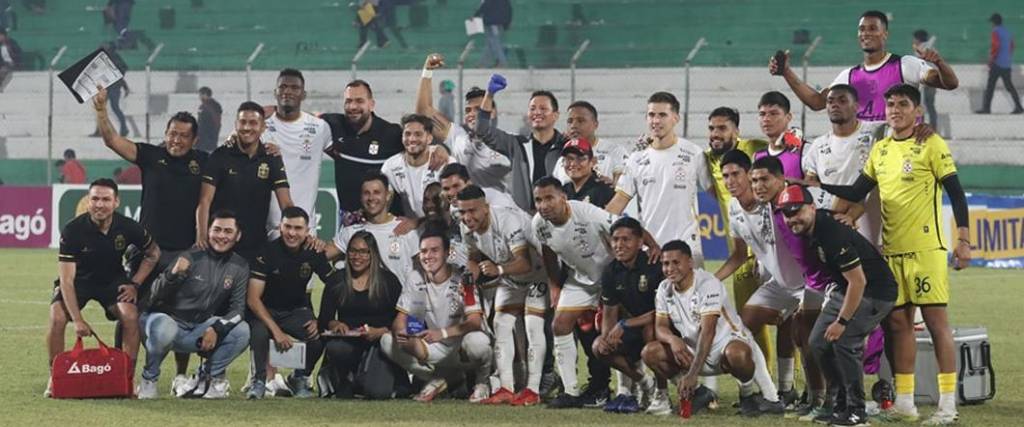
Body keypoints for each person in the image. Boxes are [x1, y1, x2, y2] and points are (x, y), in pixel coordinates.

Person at [818, 84, 971, 426]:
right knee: (899, 325)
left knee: (936, 325)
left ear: (918, 111)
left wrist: (964, 240)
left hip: (927, 249)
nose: (895, 110)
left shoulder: (931, 143)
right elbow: (857, 192)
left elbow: (957, 195)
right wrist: (815, 184)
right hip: (891, 251)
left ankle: (947, 405)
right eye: (890, 104)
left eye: (903, 104)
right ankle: (905, 402)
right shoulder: (881, 150)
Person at [94, 86, 209, 394]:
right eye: (172, 133)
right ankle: (121, 373)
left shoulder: (203, 162)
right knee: (128, 309)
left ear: (194, 139)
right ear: (166, 133)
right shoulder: (151, 155)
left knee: (181, 314)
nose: (176, 139)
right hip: (145, 252)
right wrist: (102, 110)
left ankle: (180, 376)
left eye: (184, 135)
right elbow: (112, 140)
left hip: (184, 253)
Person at [777, 185, 897, 426]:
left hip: (875, 291)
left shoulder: (831, 231)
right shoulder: (814, 229)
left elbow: (858, 280)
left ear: (811, 207)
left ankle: (856, 410)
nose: (792, 218)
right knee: (817, 342)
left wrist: (842, 322)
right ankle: (840, 401)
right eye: (787, 213)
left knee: (844, 342)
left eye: (797, 211)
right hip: (848, 288)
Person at [714, 151, 820, 416]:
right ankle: (767, 394)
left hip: (808, 282)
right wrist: (710, 280)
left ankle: (814, 396)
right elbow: (739, 255)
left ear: (750, 175)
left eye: (736, 174)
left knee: (803, 335)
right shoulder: (734, 208)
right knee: (741, 326)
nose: (730, 181)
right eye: (725, 176)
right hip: (780, 284)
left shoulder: (775, 201)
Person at [45, 179, 160, 397]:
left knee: (130, 315)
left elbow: (153, 253)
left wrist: (135, 283)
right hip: (79, 281)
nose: (99, 204)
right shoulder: (72, 230)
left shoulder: (128, 226)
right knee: (57, 317)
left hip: (112, 279)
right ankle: (55, 376)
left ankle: (126, 378)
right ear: (88, 202)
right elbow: (67, 280)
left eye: (106, 199)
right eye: (95, 199)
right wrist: (77, 319)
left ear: (116, 202)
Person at [643, 240, 783, 417]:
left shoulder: (708, 284)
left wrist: (693, 374)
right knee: (650, 352)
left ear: (690, 262)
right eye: (665, 263)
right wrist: (673, 340)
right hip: (693, 352)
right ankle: (701, 393)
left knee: (738, 353)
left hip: (725, 348)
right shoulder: (664, 288)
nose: (670, 268)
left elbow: (708, 331)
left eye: (676, 262)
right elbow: (660, 327)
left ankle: (746, 395)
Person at [137, 209, 250, 399]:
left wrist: (217, 328)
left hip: (197, 329)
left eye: (228, 231)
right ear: (208, 231)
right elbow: (154, 296)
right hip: (162, 322)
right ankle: (149, 380)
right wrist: (172, 275)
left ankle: (204, 377)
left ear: (238, 236)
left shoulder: (240, 266)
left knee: (242, 331)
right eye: (217, 230)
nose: (221, 236)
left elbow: (238, 309)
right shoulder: (191, 256)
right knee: (165, 328)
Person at [771, 10, 958, 122]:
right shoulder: (849, 76)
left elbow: (950, 83)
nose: (866, 33)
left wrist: (939, 63)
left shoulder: (905, 65)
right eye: (862, 29)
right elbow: (816, 101)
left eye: (872, 29)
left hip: (904, 154)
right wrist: (787, 72)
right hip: (867, 159)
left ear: (885, 34)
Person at [749, 155, 830, 412]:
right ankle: (809, 396)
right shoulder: (767, 207)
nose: (758, 186)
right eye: (754, 181)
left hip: (819, 281)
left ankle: (823, 398)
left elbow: (828, 209)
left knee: (808, 336)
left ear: (781, 179)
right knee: (795, 333)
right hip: (793, 283)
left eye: (764, 179)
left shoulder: (798, 201)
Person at [458, 184, 548, 406]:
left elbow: (525, 262)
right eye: (463, 212)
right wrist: (472, 272)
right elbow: (473, 255)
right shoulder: (465, 227)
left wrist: (497, 270)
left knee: (532, 325)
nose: (467, 217)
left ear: (486, 208)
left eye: (472, 211)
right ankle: (507, 387)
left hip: (538, 274)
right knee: (501, 323)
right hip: (510, 276)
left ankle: (533, 389)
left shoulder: (507, 220)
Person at [380, 230, 493, 403]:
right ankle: (440, 378)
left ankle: (482, 382)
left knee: (478, 342)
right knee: (387, 341)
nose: (428, 256)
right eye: (424, 251)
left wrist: (443, 333)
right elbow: (401, 320)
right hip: (436, 347)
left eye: (434, 250)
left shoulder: (463, 278)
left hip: (462, 347)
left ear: (447, 254)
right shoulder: (415, 278)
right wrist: (404, 334)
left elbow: (475, 322)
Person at [701, 106, 773, 373]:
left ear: (736, 130)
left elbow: (781, 152)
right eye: (711, 128)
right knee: (748, 322)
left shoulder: (754, 147)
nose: (715, 134)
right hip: (742, 248)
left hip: (771, 249)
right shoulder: (707, 159)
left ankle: (792, 385)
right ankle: (766, 381)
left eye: (722, 128)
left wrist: (794, 138)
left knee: (791, 322)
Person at [323, 80, 448, 226]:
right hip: (349, 220)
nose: (353, 107)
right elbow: (306, 122)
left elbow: (416, 142)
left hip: (388, 222)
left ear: (371, 104)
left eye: (359, 101)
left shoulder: (391, 133)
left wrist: (439, 148)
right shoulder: (334, 124)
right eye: (348, 101)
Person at [246, 207, 340, 399]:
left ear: (307, 231)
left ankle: (299, 378)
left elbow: (334, 286)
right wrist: (276, 331)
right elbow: (253, 299)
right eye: (287, 226)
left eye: (298, 228)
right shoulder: (267, 252)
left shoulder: (313, 252)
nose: (292, 233)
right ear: (280, 227)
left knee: (319, 334)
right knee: (259, 332)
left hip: (295, 311)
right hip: (266, 311)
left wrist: (321, 320)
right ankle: (259, 381)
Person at [606, 91, 711, 258]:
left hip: (688, 247)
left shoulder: (694, 154)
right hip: (651, 249)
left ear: (676, 118)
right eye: (651, 115)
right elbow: (617, 203)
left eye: (662, 115)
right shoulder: (636, 159)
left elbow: (717, 194)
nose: (656, 121)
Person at [197, 101, 294, 263]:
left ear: (263, 127)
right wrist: (201, 235)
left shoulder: (272, 158)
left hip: (256, 246)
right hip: (221, 243)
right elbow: (205, 201)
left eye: (253, 123)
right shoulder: (219, 156)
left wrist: (296, 227)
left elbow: (286, 203)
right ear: (236, 125)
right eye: (242, 122)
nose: (247, 127)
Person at [318, 231, 405, 399]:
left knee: (377, 393)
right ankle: (341, 375)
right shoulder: (337, 280)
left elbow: (400, 320)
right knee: (336, 348)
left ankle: (365, 377)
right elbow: (324, 318)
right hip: (348, 342)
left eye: (363, 252)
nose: (357, 256)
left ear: (372, 255)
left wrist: (380, 332)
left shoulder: (389, 281)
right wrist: (334, 324)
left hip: (379, 342)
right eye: (352, 251)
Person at [593, 217, 662, 414]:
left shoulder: (655, 265)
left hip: (661, 328)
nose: (619, 245)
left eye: (626, 240)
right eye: (615, 240)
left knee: (650, 331)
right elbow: (609, 313)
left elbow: (665, 313)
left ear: (640, 242)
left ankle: (661, 392)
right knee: (599, 346)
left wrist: (625, 323)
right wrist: (608, 338)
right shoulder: (610, 271)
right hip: (632, 328)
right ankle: (644, 381)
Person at [418, 54, 513, 194]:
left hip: (501, 212)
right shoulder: (458, 137)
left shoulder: (510, 142)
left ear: (492, 112)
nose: (471, 114)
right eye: (468, 110)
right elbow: (424, 112)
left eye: (478, 109)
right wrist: (427, 71)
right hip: (467, 212)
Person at [803, 84, 883, 246]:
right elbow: (810, 188)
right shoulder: (818, 146)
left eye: (842, 100)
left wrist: (922, 128)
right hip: (835, 225)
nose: (834, 105)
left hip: (873, 224)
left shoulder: (878, 132)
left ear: (856, 106)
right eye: (830, 101)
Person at [476, 75, 568, 211]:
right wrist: (489, 95)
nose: (537, 112)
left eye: (543, 109)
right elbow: (482, 130)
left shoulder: (567, 146)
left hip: (560, 216)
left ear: (555, 115)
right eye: (532, 108)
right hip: (525, 218)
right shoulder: (517, 145)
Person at [262, 69, 333, 238]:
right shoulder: (260, 127)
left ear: (304, 94)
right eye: (283, 87)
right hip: (269, 228)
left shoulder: (319, 128)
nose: (288, 91)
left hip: (306, 229)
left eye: (295, 88)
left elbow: (341, 155)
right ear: (275, 92)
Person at [329, 171, 420, 284]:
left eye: (377, 192)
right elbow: (321, 256)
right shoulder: (351, 232)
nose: (371, 198)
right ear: (361, 197)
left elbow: (427, 269)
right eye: (366, 193)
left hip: (399, 300)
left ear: (388, 196)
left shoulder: (405, 229)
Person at [382, 114, 453, 218]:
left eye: (418, 134)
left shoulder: (444, 161)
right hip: (414, 230)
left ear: (429, 138)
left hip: (446, 225)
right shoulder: (390, 166)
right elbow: (383, 200)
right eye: (407, 134)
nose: (412, 139)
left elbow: (458, 199)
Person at [553, 101, 630, 185]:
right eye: (570, 121)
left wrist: (610, 188)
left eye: (580, 121)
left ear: (595, 124)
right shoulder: (562, 160)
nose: (573, 125)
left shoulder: (615, 152)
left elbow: (628, 188)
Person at [977, 13, 1024, 114]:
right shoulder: (1007, 32)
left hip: (997, 64)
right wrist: (1006, 57)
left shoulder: (995, 32)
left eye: (992, 22)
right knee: (1009, 86)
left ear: (994, 22)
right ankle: (1019, 107)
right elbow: (1012, 46)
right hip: (1006, 64)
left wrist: (991, 60)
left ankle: (986, 108)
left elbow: (996, 46)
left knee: (990, 86)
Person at [558, 137, 616, 209]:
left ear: (592, 162)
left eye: (580, 159)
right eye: (569, 159)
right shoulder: (562, 191)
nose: (573, 164)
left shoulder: (605, 190)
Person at [93, 43, 130, 137]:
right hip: (107, 87)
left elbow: (122, 69)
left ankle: (124, 129)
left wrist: (121, 83)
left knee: (114, 108)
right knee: (102, 108)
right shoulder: (103, 59)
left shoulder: (113, 57)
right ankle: (100, 130)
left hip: (113, 87)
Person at [912, 30, 940, 126]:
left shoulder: (924, 48)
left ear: (918, 39)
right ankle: (932, 127)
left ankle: (923, 126)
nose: (913, 40)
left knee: (922, 105)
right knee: (929, 105)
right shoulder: (930, 48)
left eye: (915, 38)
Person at [474, 0, 511, 68]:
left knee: (495, 42)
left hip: (491, 23)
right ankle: (482, 64)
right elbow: (509, 11)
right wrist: (507, 24)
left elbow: (484, 7)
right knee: (490, 44)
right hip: (499, 23)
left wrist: (475, 16)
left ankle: (502, 63)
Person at [196, 86, 222, 153]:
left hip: (206, 140)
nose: (199, 97)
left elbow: (216, 123)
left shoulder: (209, 107)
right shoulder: (205, 106)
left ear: (205, 95)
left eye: (200, 95)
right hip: (204, 139)